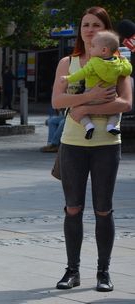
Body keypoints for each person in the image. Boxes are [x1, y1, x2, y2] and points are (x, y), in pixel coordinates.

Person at [51, 6, 132, 292]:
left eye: (96, 24)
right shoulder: (68, 63)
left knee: (103, 210)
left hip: (107, 145)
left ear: (106, 30)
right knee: (73, 208)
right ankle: (72, 271)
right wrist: (90, 96)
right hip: (73, 144)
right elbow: (57, 101)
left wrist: (83, 106)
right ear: (80, 30)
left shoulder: (118, 63)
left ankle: (103, 272)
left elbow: (125, 103)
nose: (89, 29)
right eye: (85, 24)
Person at [61, 30, 132, 139]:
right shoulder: (118, 63)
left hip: (90, 96)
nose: (90, 48)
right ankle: (110, 125)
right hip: (110, 96)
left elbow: (81, 73)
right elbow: (128, 70)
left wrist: (68, 78)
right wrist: (125, 61)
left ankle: (88, 126)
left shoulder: (93, 62)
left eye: (93, 46)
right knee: (116, 113)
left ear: (103, 50)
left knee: (76, 107)